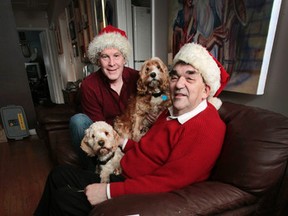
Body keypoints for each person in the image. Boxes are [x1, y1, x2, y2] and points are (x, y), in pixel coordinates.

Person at [34, 43, 230, 216]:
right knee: (58, 174)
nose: (178, 84)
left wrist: (109, 192)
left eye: (190, 78)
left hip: (136, 189)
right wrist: (123, 142)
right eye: (175, 76)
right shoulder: (171, 112)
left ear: (206, 90)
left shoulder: (206, 127)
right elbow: (148, 148)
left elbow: (170, 182)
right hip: (121, 169)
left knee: (63, 199)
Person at [69, 25, 139, 170]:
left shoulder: (137, 77)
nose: (112, 63)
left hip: (132, 132)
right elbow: (98, 126)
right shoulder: (89, 85)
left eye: (116, 56)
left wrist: (157, 107)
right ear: (97, 60)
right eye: (105, 57)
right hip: (106, 135)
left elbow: (164, 95)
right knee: (78, 121)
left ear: (124, 58)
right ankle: (91, 172)